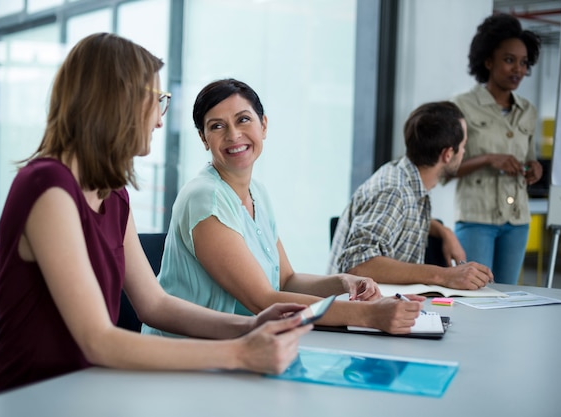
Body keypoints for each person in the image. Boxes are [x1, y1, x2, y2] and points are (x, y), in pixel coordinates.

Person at [0, 33, 312, 392]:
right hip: (38, 397)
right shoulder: (47, 188)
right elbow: (96, 339)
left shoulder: (112, 194)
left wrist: (250, 326)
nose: (160, 121)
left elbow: (154, 304)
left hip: (94, 388)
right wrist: (239, 353)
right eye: (156, 100)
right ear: (115, 103)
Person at [141, 78, 424, 338]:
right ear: (204, 139)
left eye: (243, 120)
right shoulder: (205, 197)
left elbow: (286, 281)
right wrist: (370, 314)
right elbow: (263, 300)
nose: (234, 135)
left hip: (239, 347)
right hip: (189, 355)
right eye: (217, 126)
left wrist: (344, 282)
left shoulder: (257, 193)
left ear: (263, 125)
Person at [327, 101, 493, 290]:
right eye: (463, 146)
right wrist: (444, 275)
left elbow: (399, 218)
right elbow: (358, 266)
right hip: (356, 313)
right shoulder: (393, 191)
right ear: (447, 154)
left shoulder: (405, 178)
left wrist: (442, 230)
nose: (464, 151)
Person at [450, 14, 543, 284]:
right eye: (509, 59)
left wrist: (534, 168)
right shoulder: (461, 106)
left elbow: (528, 158)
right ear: (488, 61)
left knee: (507, 296)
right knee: (473, 293)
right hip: (476, 218)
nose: (518, 69)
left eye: (524, 62)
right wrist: (488, 159)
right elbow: (445, 170)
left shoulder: (528, 111)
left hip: (517, 221)